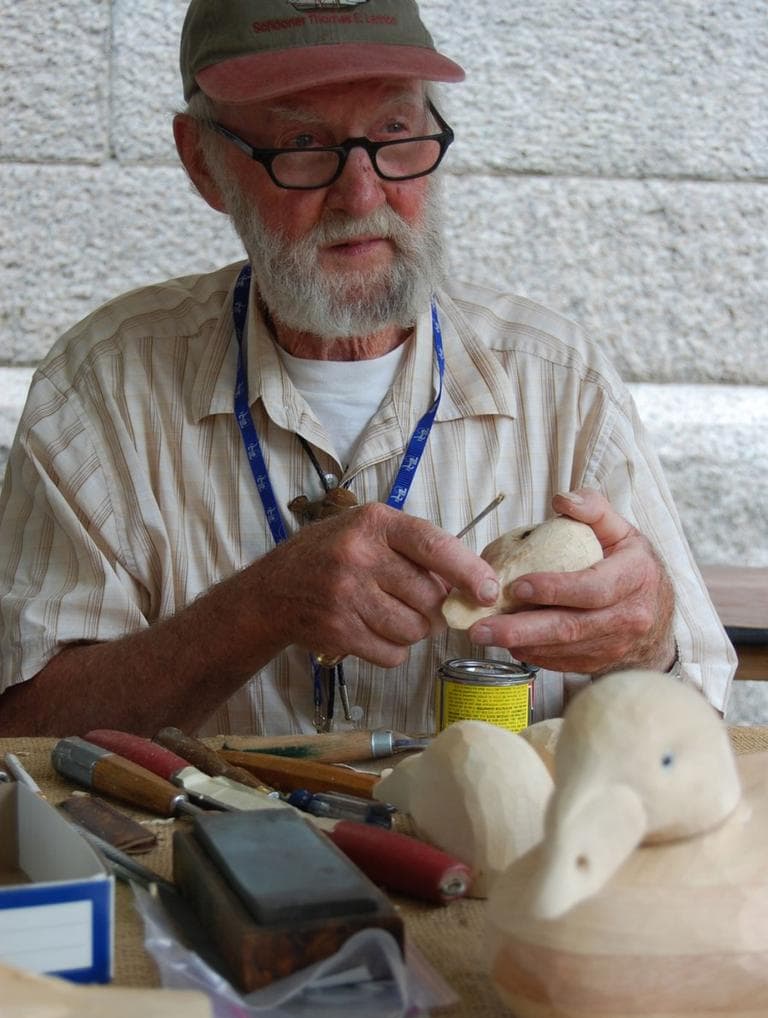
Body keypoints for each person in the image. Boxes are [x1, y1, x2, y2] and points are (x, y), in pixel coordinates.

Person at [0, 0, 735, 739]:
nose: (362, 194)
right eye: (303, 142)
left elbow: (702, 718)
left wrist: (649, 640)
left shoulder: (561, 381)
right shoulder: (101, 387)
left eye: (394, 132)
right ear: (204, 162)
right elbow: (24, 728)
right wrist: (257, 610)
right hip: (188, 852)